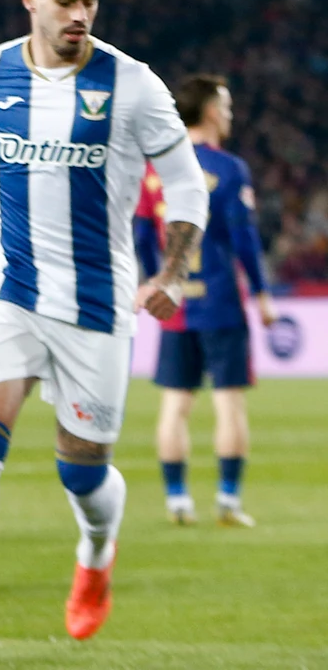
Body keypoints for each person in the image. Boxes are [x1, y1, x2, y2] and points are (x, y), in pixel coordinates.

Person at [0, 0, 208, 670]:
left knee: (81, 473)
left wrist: (171, 272)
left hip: (98, 303)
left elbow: (187, 184)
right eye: (67, 0)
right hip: (9, 288)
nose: (80, 14)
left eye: (91, 2)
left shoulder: (133, 85)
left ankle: (97, 547)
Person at [142, 75, 276, 528]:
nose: (232, 114)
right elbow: (245, 239)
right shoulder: (231, 169)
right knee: (228, 403)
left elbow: (142, 233)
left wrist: (154, 281)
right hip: (220, 301)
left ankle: (177, 500)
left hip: (174, 304)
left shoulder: (155, 170)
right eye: (228, 105)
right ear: (213, 111)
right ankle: (228, 501)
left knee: (175, 405)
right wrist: (260, 293)